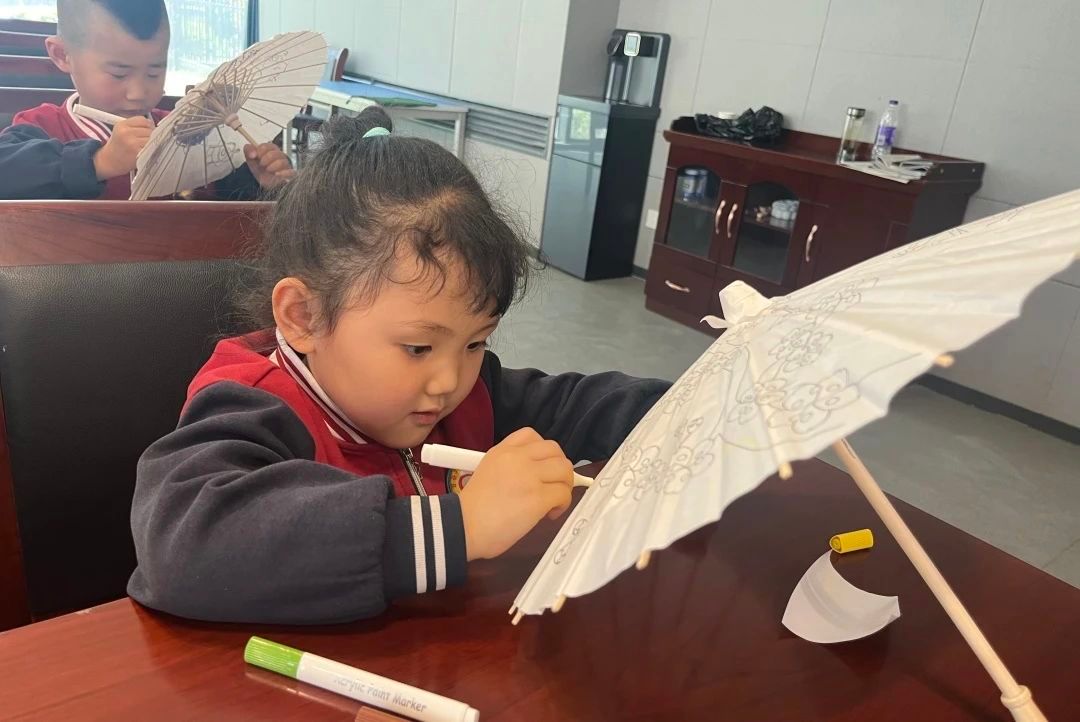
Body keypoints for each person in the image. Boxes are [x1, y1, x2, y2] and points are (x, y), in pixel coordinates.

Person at [127, 107, 671, 624]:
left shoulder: (470, 393)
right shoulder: (254, 407)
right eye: (418, 348)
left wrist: (698, 405)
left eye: (475, 342)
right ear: (303, 316)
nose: (450, 381)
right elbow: (181, 548)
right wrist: (461, 528)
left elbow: (583, 405)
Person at [0, 0, 292, 200]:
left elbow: (223, 209)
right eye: (119, 73)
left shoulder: (184, 133)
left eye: (155, 71)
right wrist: (99, 162)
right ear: (62, 55)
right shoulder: (42, 126)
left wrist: (259, 183)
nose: (138, 92)